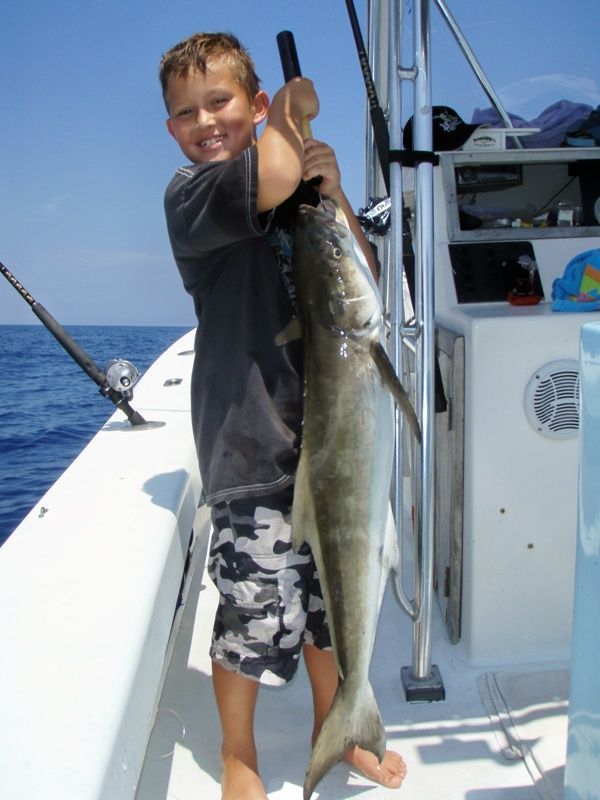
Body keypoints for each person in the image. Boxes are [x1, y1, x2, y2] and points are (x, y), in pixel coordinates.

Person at [159, 32, 407, 799]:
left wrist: (327, 188)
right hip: (251, 449)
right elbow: (268, 168)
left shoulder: (292, 186)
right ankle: (239, 753)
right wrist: (294, 122)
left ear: (252, 103)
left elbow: (357, 270)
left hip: (329, 450)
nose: (205, 120)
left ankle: (341, 722)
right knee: (254, 618)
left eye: (221, 102)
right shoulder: (193, 195)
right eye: (186, 112)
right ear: (171, 130)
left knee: (329, 615)